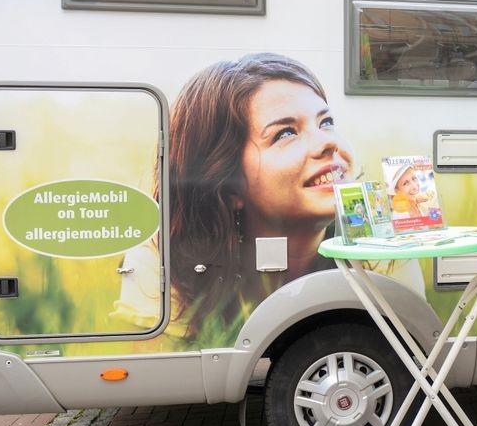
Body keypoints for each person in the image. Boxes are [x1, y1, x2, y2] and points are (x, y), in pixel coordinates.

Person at [114, 53, 420, 344]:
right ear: (230, 185)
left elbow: (411, 347)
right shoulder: (160, 261)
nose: (328, 142)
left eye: (326, 122)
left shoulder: (382, 244)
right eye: (286, 134)